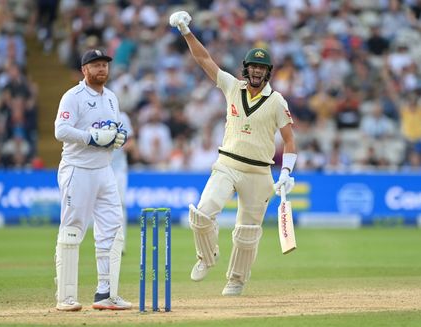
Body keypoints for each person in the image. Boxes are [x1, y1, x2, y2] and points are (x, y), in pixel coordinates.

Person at [169, 11, 297, 296]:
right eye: (253, 67)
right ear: (246, 68)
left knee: (247, 232)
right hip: (227, 163)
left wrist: (287, 171)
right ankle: (206, 257)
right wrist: (186, 31)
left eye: (261, 68)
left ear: (268, 72)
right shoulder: (231, 87)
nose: (256, 72)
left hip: (259, 171)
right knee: (202, 215)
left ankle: (236, 280)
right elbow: (204, 60)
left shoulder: (277, 101)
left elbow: (289, 140)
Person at [54, 49, 131, 311]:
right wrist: (89, 137)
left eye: (105, 65)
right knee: (73, 228)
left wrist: (118, 137)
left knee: (112, 228)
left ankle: (105, 293)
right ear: (84, 70)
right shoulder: (72, 97)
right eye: (96, 65)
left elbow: (115, 129)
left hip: (104, 170)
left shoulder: (111, 98)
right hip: (78, 169)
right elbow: (60, 130)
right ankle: (65, 297)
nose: (102, 70)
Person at [111, 111, 139, 254]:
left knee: (120, 205)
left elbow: (132, 142)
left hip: (118, 169)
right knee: (100, 207)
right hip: (99, 167)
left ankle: (121, 244)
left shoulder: (122, 117)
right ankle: (105, 243)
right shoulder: (94, 114)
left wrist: (119, 145)